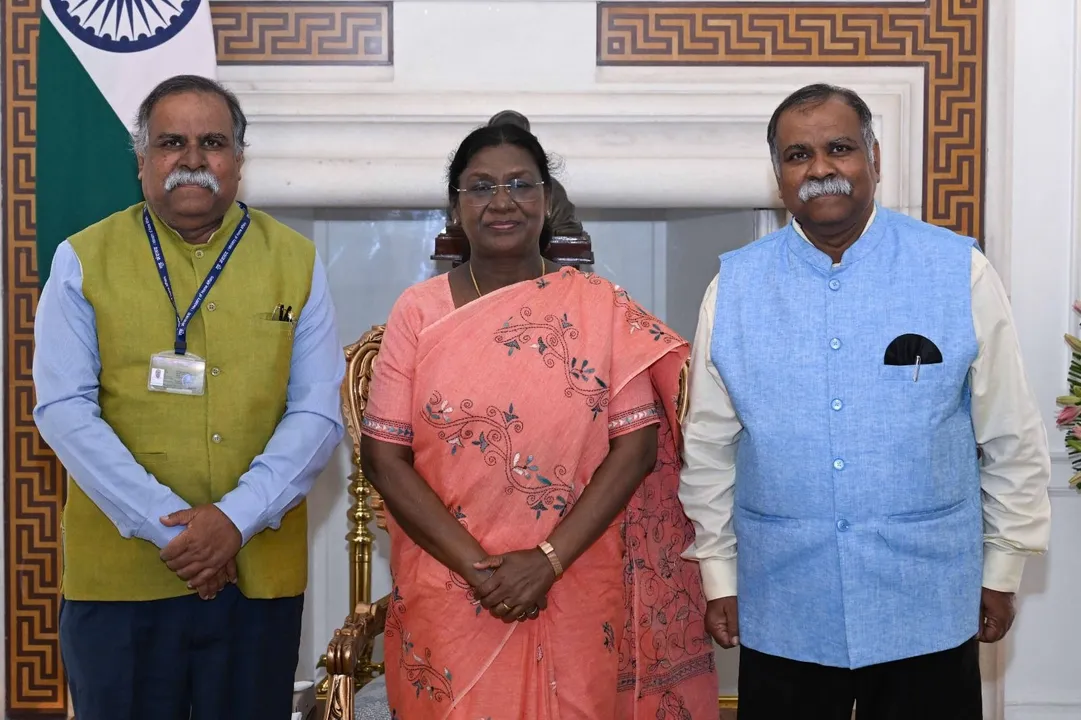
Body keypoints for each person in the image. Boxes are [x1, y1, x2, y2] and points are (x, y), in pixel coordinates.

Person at [678, 82, 1052, 719]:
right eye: (798, 155)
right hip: (784, 602)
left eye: (840, 148)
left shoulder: (957, 270)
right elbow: (708, 448)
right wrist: (719, 574)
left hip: (929, 599)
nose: (820, 168)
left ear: (874, 158)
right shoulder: (733, 287)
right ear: (778, 175)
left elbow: (1010, 434)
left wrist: (1004, 566)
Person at [360, 123, 718, 718]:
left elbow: (635, 447)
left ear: (546, 199)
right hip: (449, 582)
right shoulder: (417, 312)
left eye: (520, 184)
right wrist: (481, 573)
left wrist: (548, 560)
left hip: (573, 575)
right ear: (455, 206)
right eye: (481, 187)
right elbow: (383, 456)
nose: (502, 201)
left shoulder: (599, 306)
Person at [32, 74, 345, 720]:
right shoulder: (81, 260)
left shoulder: (297, 261)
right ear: (142, 159)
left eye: (214, 143)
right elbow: (64, 411)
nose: (193, 159)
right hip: (120, 582)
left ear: (239, 159)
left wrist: (233, 520)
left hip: (255, 577)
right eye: (172, 142)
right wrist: (170, 527)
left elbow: (317, 412)